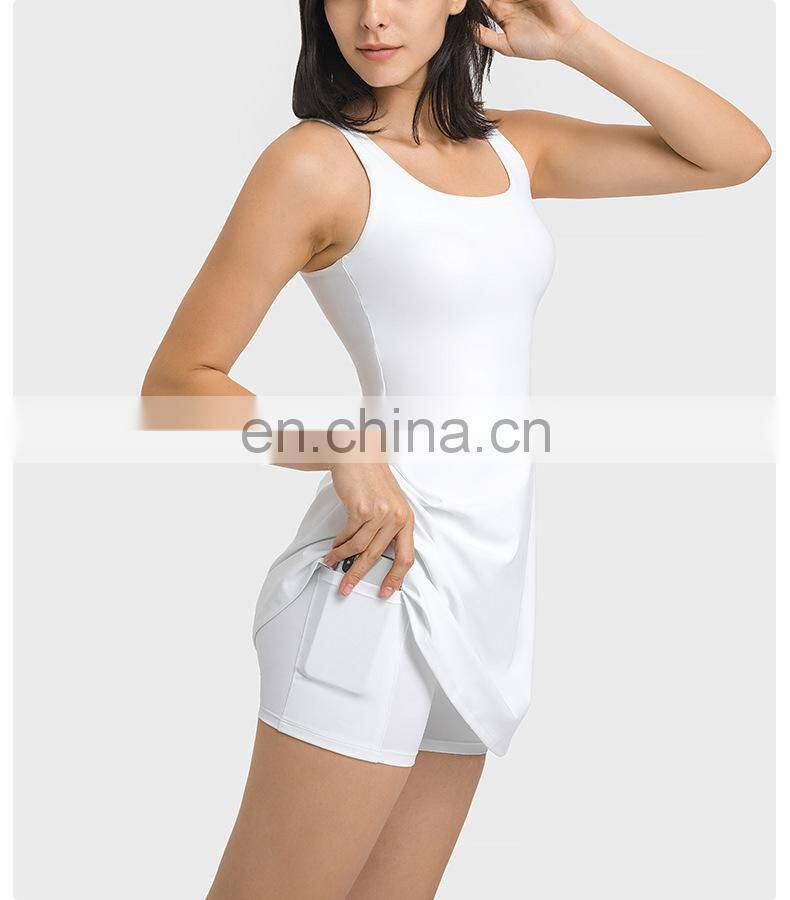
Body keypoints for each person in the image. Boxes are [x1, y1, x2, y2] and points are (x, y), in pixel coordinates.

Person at [141, 1, 770, 897]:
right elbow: (176, 384)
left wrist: (575, 42)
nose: (372, 17)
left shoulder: (517, 150)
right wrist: (336, 444)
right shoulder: (315, 163)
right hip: (375, 577)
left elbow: (735, 155)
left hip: (486, 580)